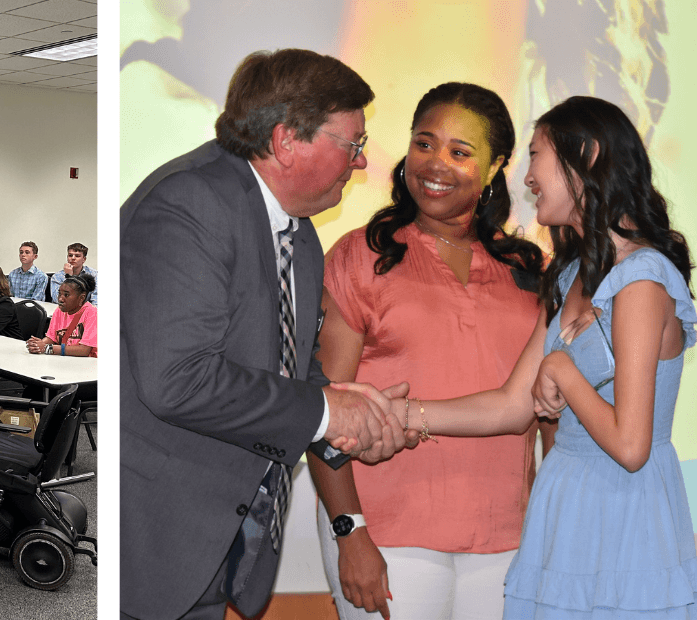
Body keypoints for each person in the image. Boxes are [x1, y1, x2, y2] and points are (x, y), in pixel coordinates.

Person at [339, 96, 697, 617]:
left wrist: (560, 371)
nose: (527, 177)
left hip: (623, 517)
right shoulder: (571, 276)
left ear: (588, 156)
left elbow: (631, 444)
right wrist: (394, 413)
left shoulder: (642, 280)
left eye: (537, 156)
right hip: (564, 507)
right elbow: (511, 405)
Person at [120, 49, 415, 620]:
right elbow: (178, 381)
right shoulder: (189, 205)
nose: (360, 162)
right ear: (286, 141)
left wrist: (354, 419)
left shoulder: (299, 234)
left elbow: (288, 367)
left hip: (220, 540)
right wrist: (328, 413)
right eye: (352, 144)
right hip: (158, 542)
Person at [312, 83, 547, 620]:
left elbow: (546, 412)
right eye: (424, 143)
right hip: (387, 534)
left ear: (495, 168)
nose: (436, 163)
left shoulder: (528, 272)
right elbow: (321, 407)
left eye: (460, 152)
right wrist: (350, 532)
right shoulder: (363, 256)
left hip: (508, 534)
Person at [27, 272, 97, 357]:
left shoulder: (92, 313)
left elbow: (84, 350)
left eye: (66, 295)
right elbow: (51, 338)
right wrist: (38, 345)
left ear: (81, 298)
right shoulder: (59, 310)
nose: (60, 298)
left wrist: (47, 348)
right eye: (59, 293)